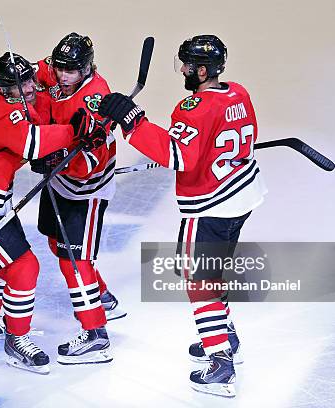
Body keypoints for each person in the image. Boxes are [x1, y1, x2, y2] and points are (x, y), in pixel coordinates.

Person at [98, 35, 267, 397]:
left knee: (198, 280)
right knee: (211, 270)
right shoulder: (238, 93)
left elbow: (178, 156)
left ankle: (221, 364)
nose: (185, 72)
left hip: (211, 204)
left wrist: (133, 123)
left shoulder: (193, 107)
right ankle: (226, 335)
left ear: (202, 70)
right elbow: (220, 139)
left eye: (188, 66)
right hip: (243, 196)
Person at [0, 33, 125, 366]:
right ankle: (15, 336)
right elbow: (34, 144)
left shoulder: (90, 96)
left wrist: (76, 154)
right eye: (57, 68)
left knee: (69, 257)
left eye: (70, 69)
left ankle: (96, 329)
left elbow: (90, 162)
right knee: (28, 261)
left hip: (83, 188)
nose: (51, 78)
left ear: (86, 67)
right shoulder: (8, 108)